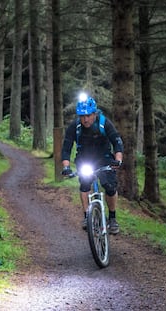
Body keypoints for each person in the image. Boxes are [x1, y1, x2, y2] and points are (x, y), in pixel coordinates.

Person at [61, 93, 124, 234]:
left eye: (88, 115)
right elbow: (66, 148)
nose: (85, 119)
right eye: (82, 116)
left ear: (94, 114)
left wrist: (118, 160)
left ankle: (112, 218)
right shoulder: (74, 127)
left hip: (105, 158)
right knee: (84, 184)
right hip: (85, 159)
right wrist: (66, 167)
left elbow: (117, 141)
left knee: (109, 186)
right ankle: (86, 217)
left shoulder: (104, 123)